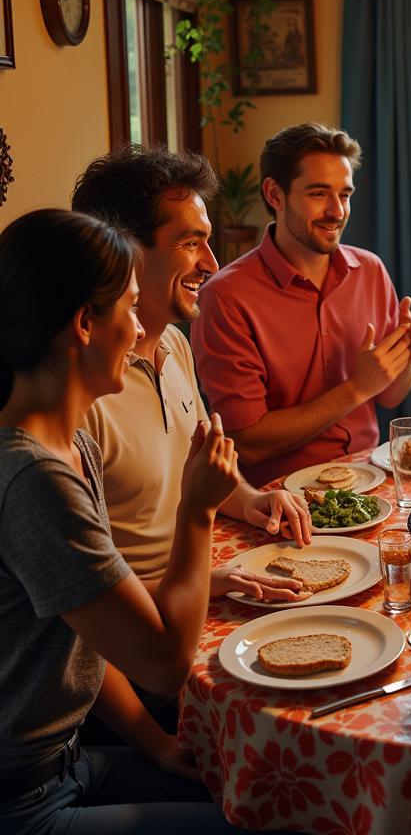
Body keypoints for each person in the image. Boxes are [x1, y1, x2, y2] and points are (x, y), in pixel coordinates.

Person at [0, 209, 245, 833]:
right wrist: (198, 511)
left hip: (73, 757)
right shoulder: (35, 480)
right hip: (25, 801)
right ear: (85, 324)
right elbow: (164, 662)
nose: (142, 329)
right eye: (132, 309)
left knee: (268, 795)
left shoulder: (68, 445)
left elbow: (90, 627)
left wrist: (157, 744)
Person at [71, 146, 310, 604]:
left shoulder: (176, 345)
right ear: (122, 250)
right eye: (189, 242)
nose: (212, 263)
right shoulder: (82, 392)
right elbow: (82, 597)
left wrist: (251, 499)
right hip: (145, 626)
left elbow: (203, 477)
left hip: (201, 580)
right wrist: (205, 584)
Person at [191, 123, 411, 488]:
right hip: (278, 499)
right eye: (319, 193)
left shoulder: (369, 270)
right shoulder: (225, 297)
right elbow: (248, 443)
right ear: (275, 194)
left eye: (345, 195)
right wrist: (356, 388)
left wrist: (403, 362)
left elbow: (390, 395)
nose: (337, 211)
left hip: (370, 481)